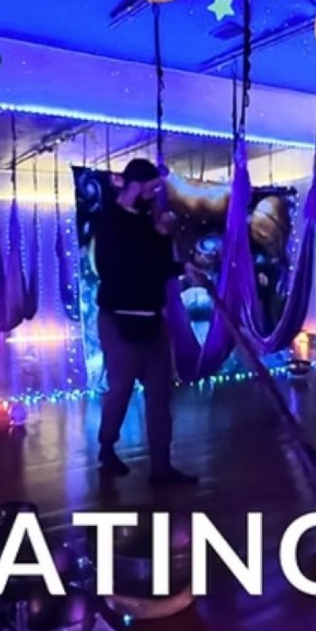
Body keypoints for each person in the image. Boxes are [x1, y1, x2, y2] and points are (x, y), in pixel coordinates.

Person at [94, 158, 197, 484]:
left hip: (152, 319)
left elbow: (160, 266)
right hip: (119, 320)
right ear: (135, 186)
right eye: (151, 189)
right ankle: (107, 448)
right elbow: (117, 268)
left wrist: (180, 263)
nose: (153, 195)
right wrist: (156, 238)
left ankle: (161, 467)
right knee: (121, 389)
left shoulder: (148, 222)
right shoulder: (108, 220)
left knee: (160, 393)